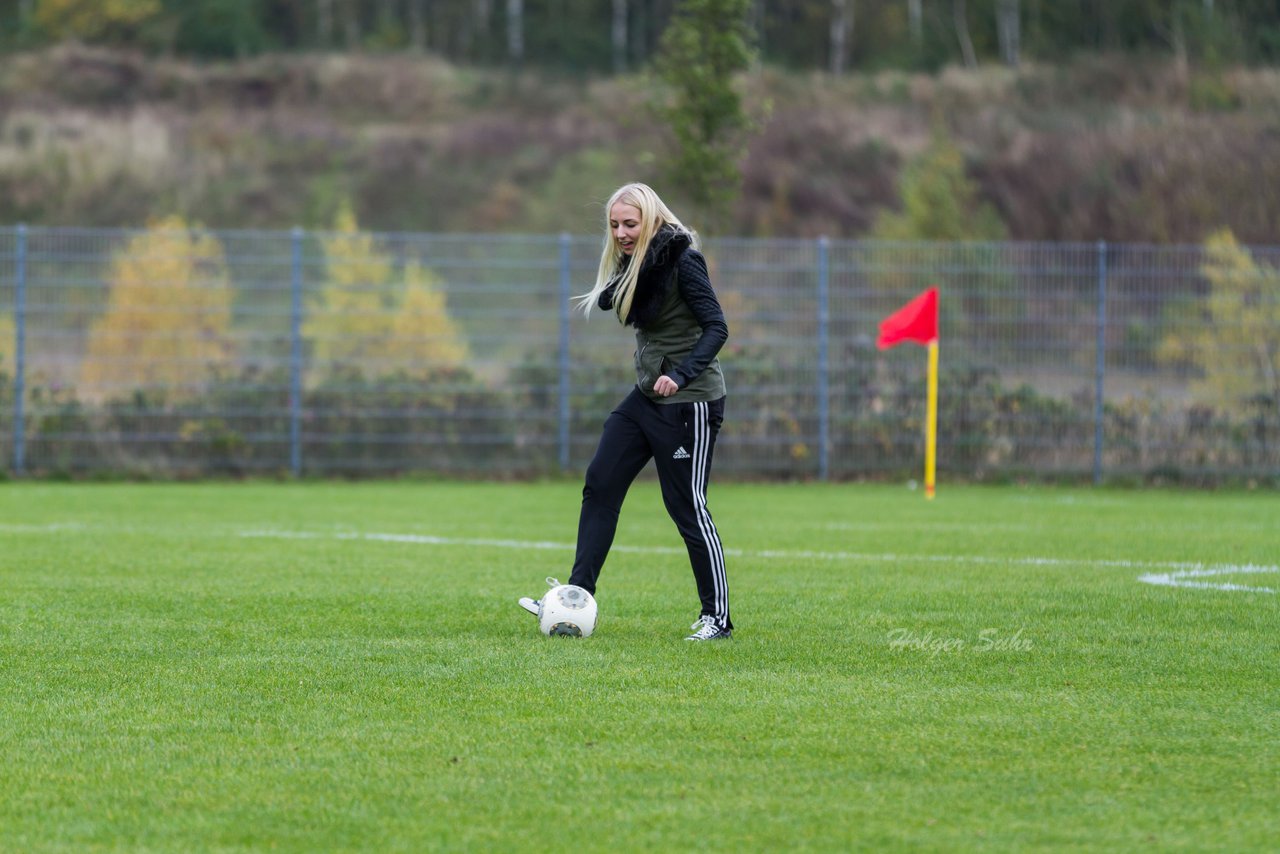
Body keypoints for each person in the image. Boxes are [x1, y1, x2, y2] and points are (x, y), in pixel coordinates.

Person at [519, 182, 733, 640]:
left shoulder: (683, 260)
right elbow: (610, 297)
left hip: (689, 401)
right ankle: (575, 598)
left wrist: (681, 373)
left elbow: (717, 327)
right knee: (600, 482)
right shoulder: (638, 263)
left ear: (652, 220)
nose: (620, 232)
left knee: (687, 507)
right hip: (646, 398)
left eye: (630, 224)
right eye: (614, 224)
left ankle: (717, 618)